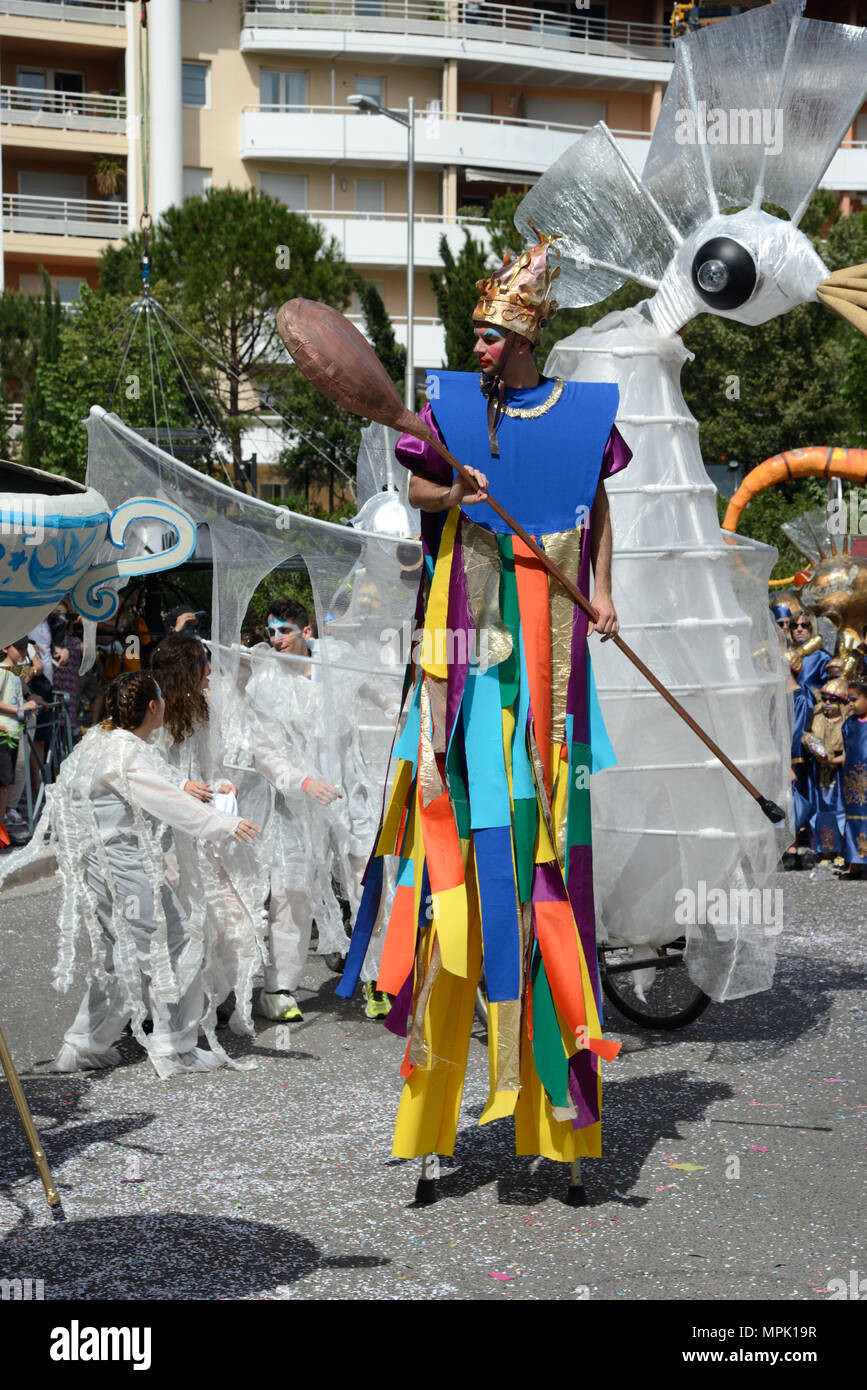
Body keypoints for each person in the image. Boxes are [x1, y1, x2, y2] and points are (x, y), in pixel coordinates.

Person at [338, 232, 629, 1188]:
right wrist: (452, 488)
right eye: (473, 333)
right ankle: (431, 1131)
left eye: (493, 335)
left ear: (529, 336)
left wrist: (607, 590)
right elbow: (412, 483)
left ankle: (562, 1127)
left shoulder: (580, 415)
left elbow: (595, 505)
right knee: (452, 885)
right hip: (462, 668)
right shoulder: (448, 411)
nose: (479, 348)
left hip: (553, 667)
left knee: (549, 869)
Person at [0, 671, 259, 1076]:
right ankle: (176, 1047)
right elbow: (165, 800)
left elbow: (154, 784)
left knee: (118, 956)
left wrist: (184, 786)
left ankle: (84, 1046)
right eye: (161, 698)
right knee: (175, 945)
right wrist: (222, 824)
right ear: (154, 708)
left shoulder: (98, 742)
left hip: (99, 873)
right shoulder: (127, 753)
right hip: (126, 871)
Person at [149, 632, 270, 1034]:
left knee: (222, 915)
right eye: (203, 662)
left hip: (202, 833)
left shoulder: (202, 709)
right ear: (187, 669)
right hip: (167, 837)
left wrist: (220, 783)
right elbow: (144, 767)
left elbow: (207, 766)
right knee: (178, 919)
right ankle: (172, 1007)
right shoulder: (154, 714)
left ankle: (209, 998)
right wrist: (178, 785)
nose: (210, 670)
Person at [243, 599, 346, 1023]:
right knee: (290, 890)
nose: (276, 639)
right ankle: (279, 986)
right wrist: (303, 782)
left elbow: (386, 689)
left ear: (307, 632)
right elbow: (263, 752)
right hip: (292, 806)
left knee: (366, 882)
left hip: (347, 796)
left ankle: (380, 977)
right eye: (272, 631)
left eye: (284, 630)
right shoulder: (265, 685)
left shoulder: (339, 665)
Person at [803, 676, 851, 860]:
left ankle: (842, 852)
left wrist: (834, 761)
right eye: (824, 698)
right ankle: (826, 852)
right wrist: (813, 748)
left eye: (833, 699)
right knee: (820, 812)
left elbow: (853, 749)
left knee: (840, 812)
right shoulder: (816, 718)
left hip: (839, 774)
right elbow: (806, 736)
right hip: (818, 773)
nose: (828, 703)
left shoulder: (848, 722)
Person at [0, 639, 39, 848]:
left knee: (6, 784)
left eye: (25, 648)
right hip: (4, 732)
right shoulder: (3, 670)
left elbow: (36, 669)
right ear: (6, 648)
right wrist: (18, 710)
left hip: (13, 732)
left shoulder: (15, 670)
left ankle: (2, 830)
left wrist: (31, 698)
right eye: (20, 648)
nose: (24, 652)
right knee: (4, 784)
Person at [841, 674, 867, 878]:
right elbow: (846, 752)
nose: (850, 703)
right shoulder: (849, 724)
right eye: (848, 699)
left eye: (854, 699)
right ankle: (855, 864)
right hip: (853, 781)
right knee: (854, 819)